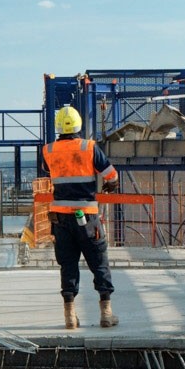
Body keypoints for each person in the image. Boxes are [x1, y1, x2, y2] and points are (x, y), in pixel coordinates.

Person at [41, 105, 119, 330]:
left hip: (60, 219)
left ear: (58, 126)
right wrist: (110, 185)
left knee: (68, 264)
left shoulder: (48, 150)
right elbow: (111, 175)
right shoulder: (89, 147)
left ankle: (70, 318)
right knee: (99, 262)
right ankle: (106, 314)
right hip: (87, 217)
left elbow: (48, 170)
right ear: (78, 125)